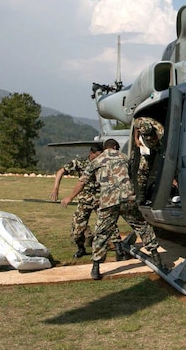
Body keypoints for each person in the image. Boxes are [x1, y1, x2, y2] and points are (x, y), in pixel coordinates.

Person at [61, 138, 167, 280]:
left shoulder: (96, 161)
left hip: (108, 202)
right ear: (116, 147)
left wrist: (70, 197)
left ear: (105, 149)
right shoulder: (124, 157)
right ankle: (156, 257)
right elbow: (135, 174)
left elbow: (82, 182)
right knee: (142, 227)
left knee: (102, 233)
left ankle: (96, 267)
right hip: (127, 199)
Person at [50, 144, 102, 258]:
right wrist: (55, 189)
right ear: (91, 154)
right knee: (77, 229)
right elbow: (60, 171)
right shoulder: (80, 163)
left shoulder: (104, 163)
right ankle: (81, 248)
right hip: (84, 201)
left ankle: (119, 249)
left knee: (109, 225)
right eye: (97, 156)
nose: (99, 158)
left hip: (100, 199)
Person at [130, 116, 164, 204]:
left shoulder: (160, 131)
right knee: (142, 170)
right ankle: (141, 196)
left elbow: (163, 148)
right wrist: (136, 139)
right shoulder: (138, 122)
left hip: (158, 145)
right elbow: (136, 128)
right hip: (145, 147)